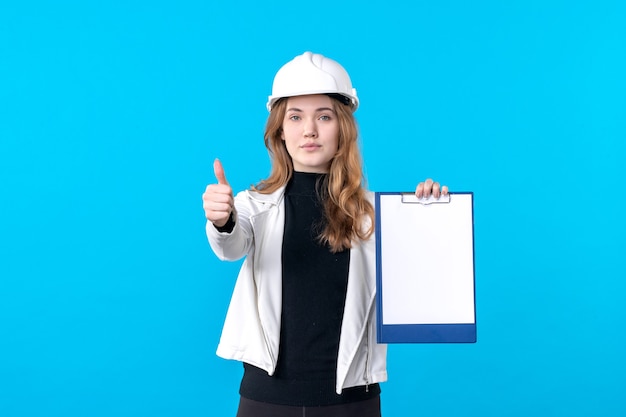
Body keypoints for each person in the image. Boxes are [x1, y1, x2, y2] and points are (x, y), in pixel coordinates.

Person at [202, 51, 448, 417]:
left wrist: (430, 216)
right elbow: (232, 243)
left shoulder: (376, 214)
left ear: (342, 129)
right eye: (296, 116)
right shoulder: (252, 205)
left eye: (324, 116)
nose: (310, 130)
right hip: (266, 400)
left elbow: (422, 280)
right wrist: (222, 219)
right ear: (280, 131)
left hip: (352, 402)